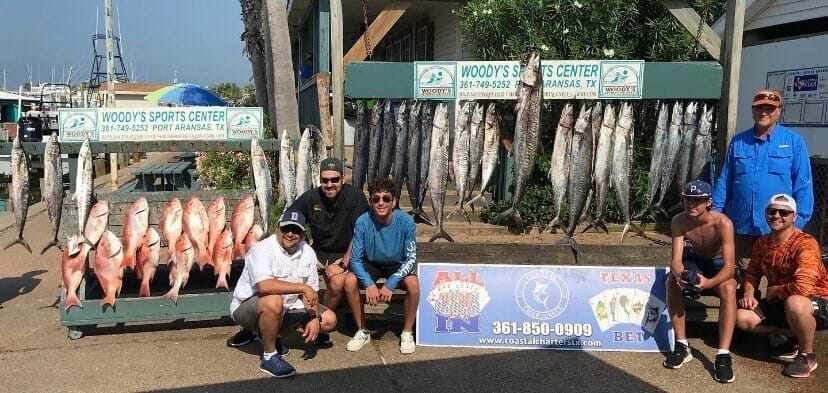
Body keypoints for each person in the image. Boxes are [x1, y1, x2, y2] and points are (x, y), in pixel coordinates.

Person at [228, 158, 368, 349]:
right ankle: (259, 327)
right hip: (319, 250)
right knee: (277, 297)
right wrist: (301, 243)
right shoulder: (311, 197)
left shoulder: (356, 197)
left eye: (334, 180)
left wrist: (342, 264)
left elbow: (361, 234)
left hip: (346, 251)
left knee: (337, 283)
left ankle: (314, 324)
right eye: (325, 180)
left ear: (343, 179)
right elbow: (292, 215)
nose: (329, 184)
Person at [712, 88, 814, 276]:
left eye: (770, 109)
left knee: (775, 282)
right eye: (759, 108)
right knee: (745, 280)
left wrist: (796, 226)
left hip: (778, 228)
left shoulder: (794, 142)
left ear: (779, 111)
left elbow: (803, 186)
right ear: (753, 110)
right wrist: (713, 216)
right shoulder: (738, 142)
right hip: (742, 227)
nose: (764, 113)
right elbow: (725, 181)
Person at [228, 209, 337, 378]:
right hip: (247, 308)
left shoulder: (307, 252)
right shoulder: (262, 249)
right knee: (273, 300)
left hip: (287, 307)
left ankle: (270, 332)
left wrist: (314, 318)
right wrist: (302, 288)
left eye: (296, 230)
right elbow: (264, 286)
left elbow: (312, 292)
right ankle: (269, 356)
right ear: (277, 228)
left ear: (302, 234)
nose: (290, 233)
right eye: (286, 228)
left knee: (329, 321)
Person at [735, 194, 828, 378]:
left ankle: (806, 355)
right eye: (772, 211)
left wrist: (776, 290)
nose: (777, 216)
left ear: (794, 217)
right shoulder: (762, 242)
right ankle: (794, 334)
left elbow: (804, 288)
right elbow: (752, 272)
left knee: (795, 303)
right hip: (781, 302)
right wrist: (748, 293)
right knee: (741, 317)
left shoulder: (805, 243)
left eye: (784, 212)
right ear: (766, 214)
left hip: (817, 302)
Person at [663, 180, 738, 384]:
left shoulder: (723, 223)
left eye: (697, 201)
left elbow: (730, 267)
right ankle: (682, 345)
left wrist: (708, 283)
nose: (691, 205)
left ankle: (723, 355)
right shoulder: (679, 220)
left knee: (729, 288)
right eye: (688, 200)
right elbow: (676, 261)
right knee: (671, 281)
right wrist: (680, 277)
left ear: (708, 202)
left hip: (719, 264)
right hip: (696, 260)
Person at [343, 176, 420, 354]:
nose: (381, 203)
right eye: (376, 199)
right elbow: (355, 258)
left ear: (394, 201)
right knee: (349, 281)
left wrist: (391, 283)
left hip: (397, 264)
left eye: (386, 198)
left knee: (413, 285)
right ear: (370, 202)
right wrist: (369, 283)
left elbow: (410, 258)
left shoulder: (406, 221)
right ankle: (362, 330)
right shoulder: (363, 221)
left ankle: (407, 332)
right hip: (371, 262)